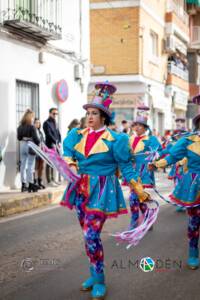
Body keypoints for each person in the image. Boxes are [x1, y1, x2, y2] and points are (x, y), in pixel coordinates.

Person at [61, 82, 149, 300]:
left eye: (94, 113)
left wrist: (138, 189)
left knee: (91, 234)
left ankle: (99, 280)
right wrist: (71, 165)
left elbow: (126, 167)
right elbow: (67, 154)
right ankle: (93, 271)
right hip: (80, 188)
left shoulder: (117, 140)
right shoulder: (77, 135)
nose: (90, 117)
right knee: (87, 235)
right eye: (88, 113)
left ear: (104, 117)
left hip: (102, 190)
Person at [148, 113, 200, 270]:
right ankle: (193, 252)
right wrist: (157, 164)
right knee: (194, 221)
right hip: (194, 185)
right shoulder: (189, 140)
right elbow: (172, 156)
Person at [128, 108, 162, 229]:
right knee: (136, 198)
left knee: (140, 197)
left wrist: (153, 154)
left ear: (145, 128)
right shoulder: (129, 139)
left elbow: (159, 151)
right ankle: (141, 219)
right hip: (132, 172)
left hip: (144, 172)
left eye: (139, 125)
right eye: (135, 125)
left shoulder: (151, 139)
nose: (136, 128)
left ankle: (142, 220)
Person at [17, 109, 40, 192]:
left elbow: (19, 138)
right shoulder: (32, 127)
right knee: (30, 165)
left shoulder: (20, 127)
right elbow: (37, 140)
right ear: (30, 117)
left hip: (22, 145)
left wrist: (24, 138)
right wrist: (38, 143)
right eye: (33, 117)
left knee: (23, 165)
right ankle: (30, 184)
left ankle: (23, 185)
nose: (33, 119)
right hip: (30, 145)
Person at [43, 108, 61, 186]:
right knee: (49, 162)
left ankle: (53, 179)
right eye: (53, 114)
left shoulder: (55, 123)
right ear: (50, 113)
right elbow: (48, 134)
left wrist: (59, 141)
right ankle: (49, 180)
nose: (55, 115)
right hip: (49, 145)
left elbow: (58, 133)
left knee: (54, 163)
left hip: (56, 145)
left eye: (56, 114)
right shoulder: (46, 123)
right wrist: (55, 142)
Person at [34, 118, 45, 189]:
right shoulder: (33, 131)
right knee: (35, 167)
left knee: (41, 167)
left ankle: (39, 181)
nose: (38, 124)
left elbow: (43, 140)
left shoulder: (40, 132)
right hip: (35, 151)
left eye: (39, 123)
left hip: (41, 151)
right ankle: (34, 182)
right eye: (36, 123)